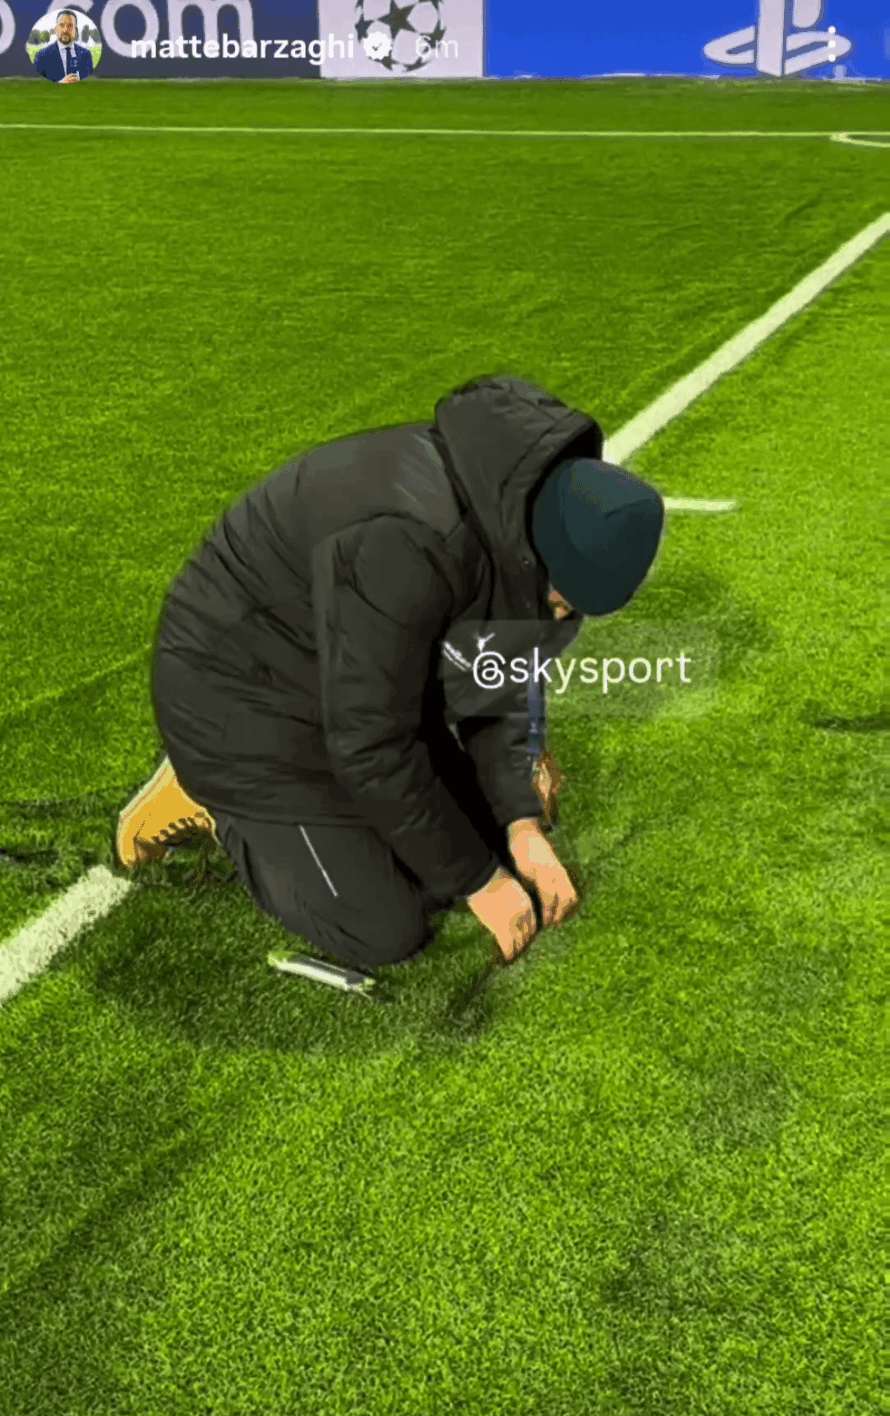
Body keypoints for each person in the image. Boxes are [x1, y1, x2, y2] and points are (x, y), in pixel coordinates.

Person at [116, 375, 664, 970]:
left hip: (347, 675)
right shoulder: (409, 541)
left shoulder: (530, 527)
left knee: (477, 849)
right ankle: (211, 797)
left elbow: (496, 678)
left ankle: (331, 819)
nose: (564, 617)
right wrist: (484, 885)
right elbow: (372, 741)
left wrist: (519, 827)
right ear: (537, 552)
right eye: (561, 601)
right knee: (383, 927)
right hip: (237, 691)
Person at [33, 10, 94, 83]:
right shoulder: (42, 56)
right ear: (56, 29)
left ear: (76, 30)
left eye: (70, 26)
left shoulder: (86, 55)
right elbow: (37, 85)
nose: (65, 30)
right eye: (62, 25)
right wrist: (61, 83)